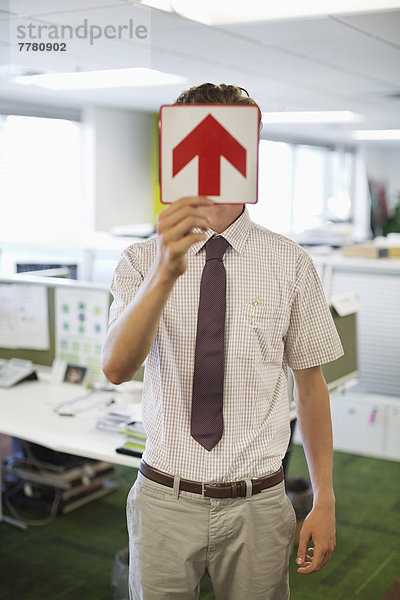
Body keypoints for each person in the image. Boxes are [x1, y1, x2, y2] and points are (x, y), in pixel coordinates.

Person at [102, 82, 344, 600]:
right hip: (165, 496)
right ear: (176, 156)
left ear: (251, 154)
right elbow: (117, 368)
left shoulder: (290, 263)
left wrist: (323, 497)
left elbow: (311, 384)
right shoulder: (140, 261)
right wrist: (165, 273)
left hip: (259, 502)